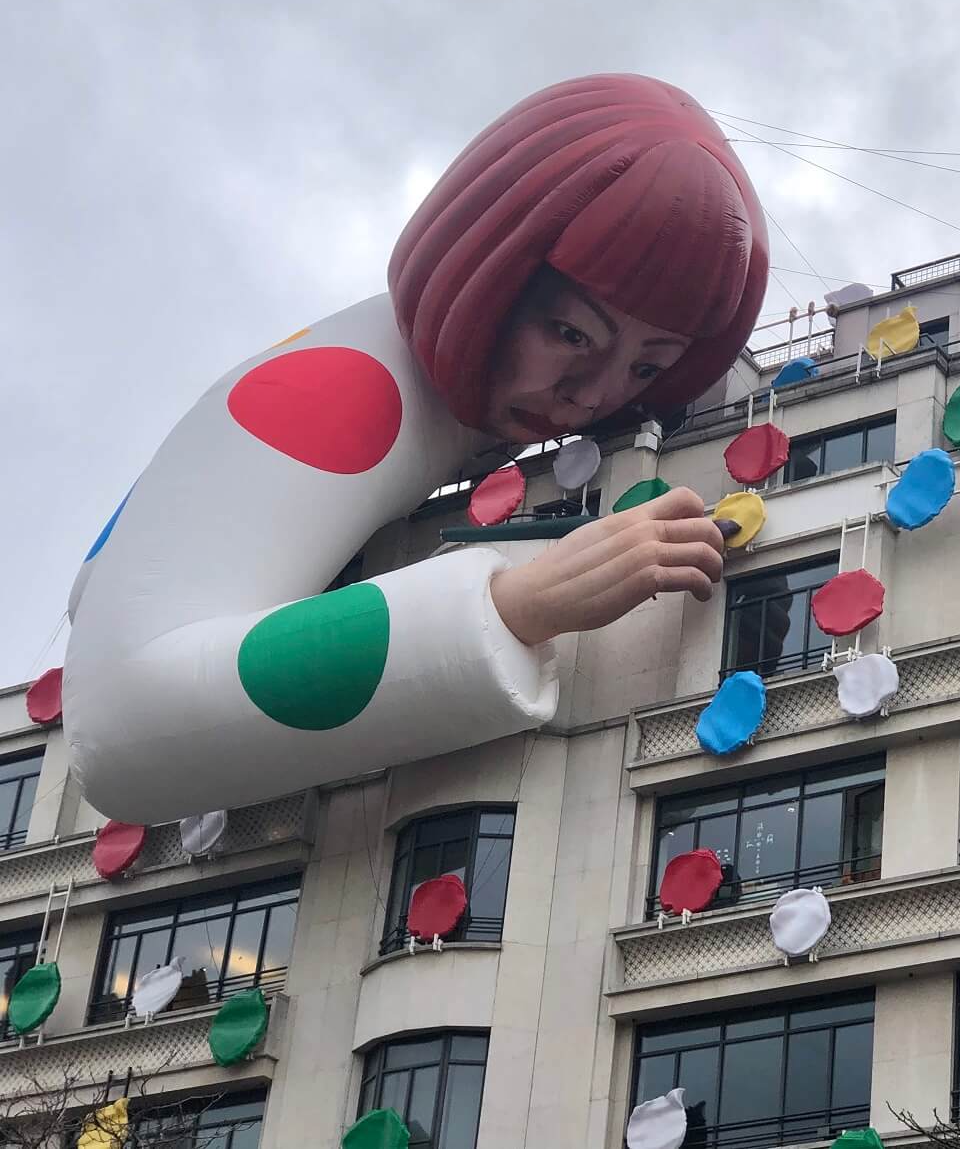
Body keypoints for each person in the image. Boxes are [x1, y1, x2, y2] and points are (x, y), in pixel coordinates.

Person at [63, 74, 768, 824]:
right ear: (492, 275)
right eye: (570, 335)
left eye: (646, 368)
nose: (594, 396)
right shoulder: (342, 393)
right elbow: (119, 722)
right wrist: (511, 607)